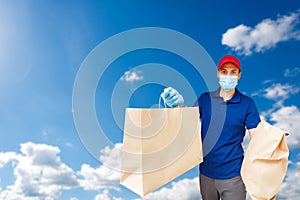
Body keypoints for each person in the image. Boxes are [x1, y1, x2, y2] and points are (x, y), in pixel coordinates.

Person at [161, 55, 261, 200]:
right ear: (218, 74)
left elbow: (257, 138)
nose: (228, 76)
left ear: (239, 75)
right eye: (224, 71)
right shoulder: (205, 99)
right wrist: (178, 105)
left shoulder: (247, 104)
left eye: (233, 72)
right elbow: (187, 120)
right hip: (206, 173)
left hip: (233, 175)